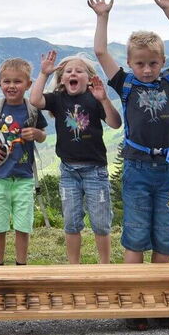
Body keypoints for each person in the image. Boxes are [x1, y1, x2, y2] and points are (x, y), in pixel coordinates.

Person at [90, 0, 169, 329]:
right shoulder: (125, 85)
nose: (147, 69)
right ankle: (134, 303)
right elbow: (100, 50)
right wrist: (103, 16)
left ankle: (162, 304)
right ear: (130, 64)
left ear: (162, 62)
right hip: (136, 170)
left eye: (152, 63)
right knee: (136, 235)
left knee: (165, 235)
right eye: (140, 63)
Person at [29, 51, 121, 264]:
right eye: (68, 71)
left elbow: (115, 123)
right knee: (71, 222)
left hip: (95, 171)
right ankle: (73, 266)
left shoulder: (95, 98)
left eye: (79, 71)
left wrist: (104, 99)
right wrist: (43, 74)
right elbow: (35, 100)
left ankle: (104, 266)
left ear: (89, 79)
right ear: (62, 79)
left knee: (100, 222)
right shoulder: (58, 99)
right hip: (68, 171)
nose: (73, 73)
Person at [0, 57, 47, 266]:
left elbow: (43, 135)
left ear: (28, 84)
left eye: (17, 81)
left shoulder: (32, 109)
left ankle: (20, 266)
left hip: (24, 176)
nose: (11, 86)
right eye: (6, 81)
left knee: (23, 225)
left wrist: (35, 133)